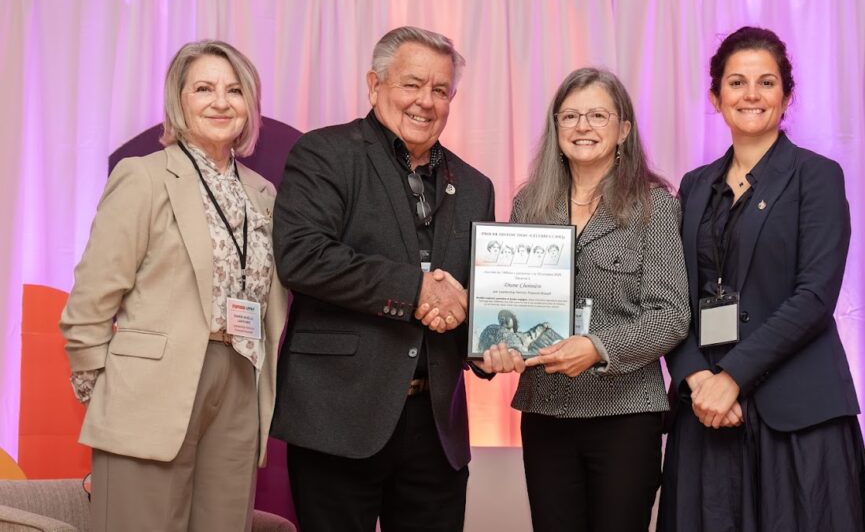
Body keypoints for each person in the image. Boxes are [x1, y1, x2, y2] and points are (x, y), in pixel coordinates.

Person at [270, 26, 518, 531]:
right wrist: (416, 289)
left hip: (436, 427)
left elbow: (470, 296)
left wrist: (491, 345)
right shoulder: (326, 154)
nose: (426, 102)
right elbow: (303, 256)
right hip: (339, 416)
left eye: (441, 90)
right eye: (412, 84)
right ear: (374, 84)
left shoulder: (474, 185)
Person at [59, 40, 288, 531]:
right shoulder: (143, 178)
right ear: (178, 100)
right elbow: (91, 300)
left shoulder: (262, 193)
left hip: (240, 377)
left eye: (234, 90)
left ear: (250, 104)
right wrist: (102, 394)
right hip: (150, 387)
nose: (221, 102)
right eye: (204, 88)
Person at [659, 26, 865, 531]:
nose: (751, 95)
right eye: (736, 83)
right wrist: (697, 380)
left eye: (766, 82)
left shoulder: (817, 176)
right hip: (708, 411)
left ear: (787, 95)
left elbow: (814, 297)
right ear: (715, 97)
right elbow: (671, 297)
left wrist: (732, 376)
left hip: (798, 417)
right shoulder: (693, 186)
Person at [507, 67, 691, 532]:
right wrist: (497, 342)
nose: (582, 127)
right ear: (555, 128)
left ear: (623, 130)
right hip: (545, 408)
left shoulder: (655, 206)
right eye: (569, 116)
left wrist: (598, 348)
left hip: (626, 414)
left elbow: (670, 316)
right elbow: (509, 296)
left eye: (596, 115)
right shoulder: (529, 205)